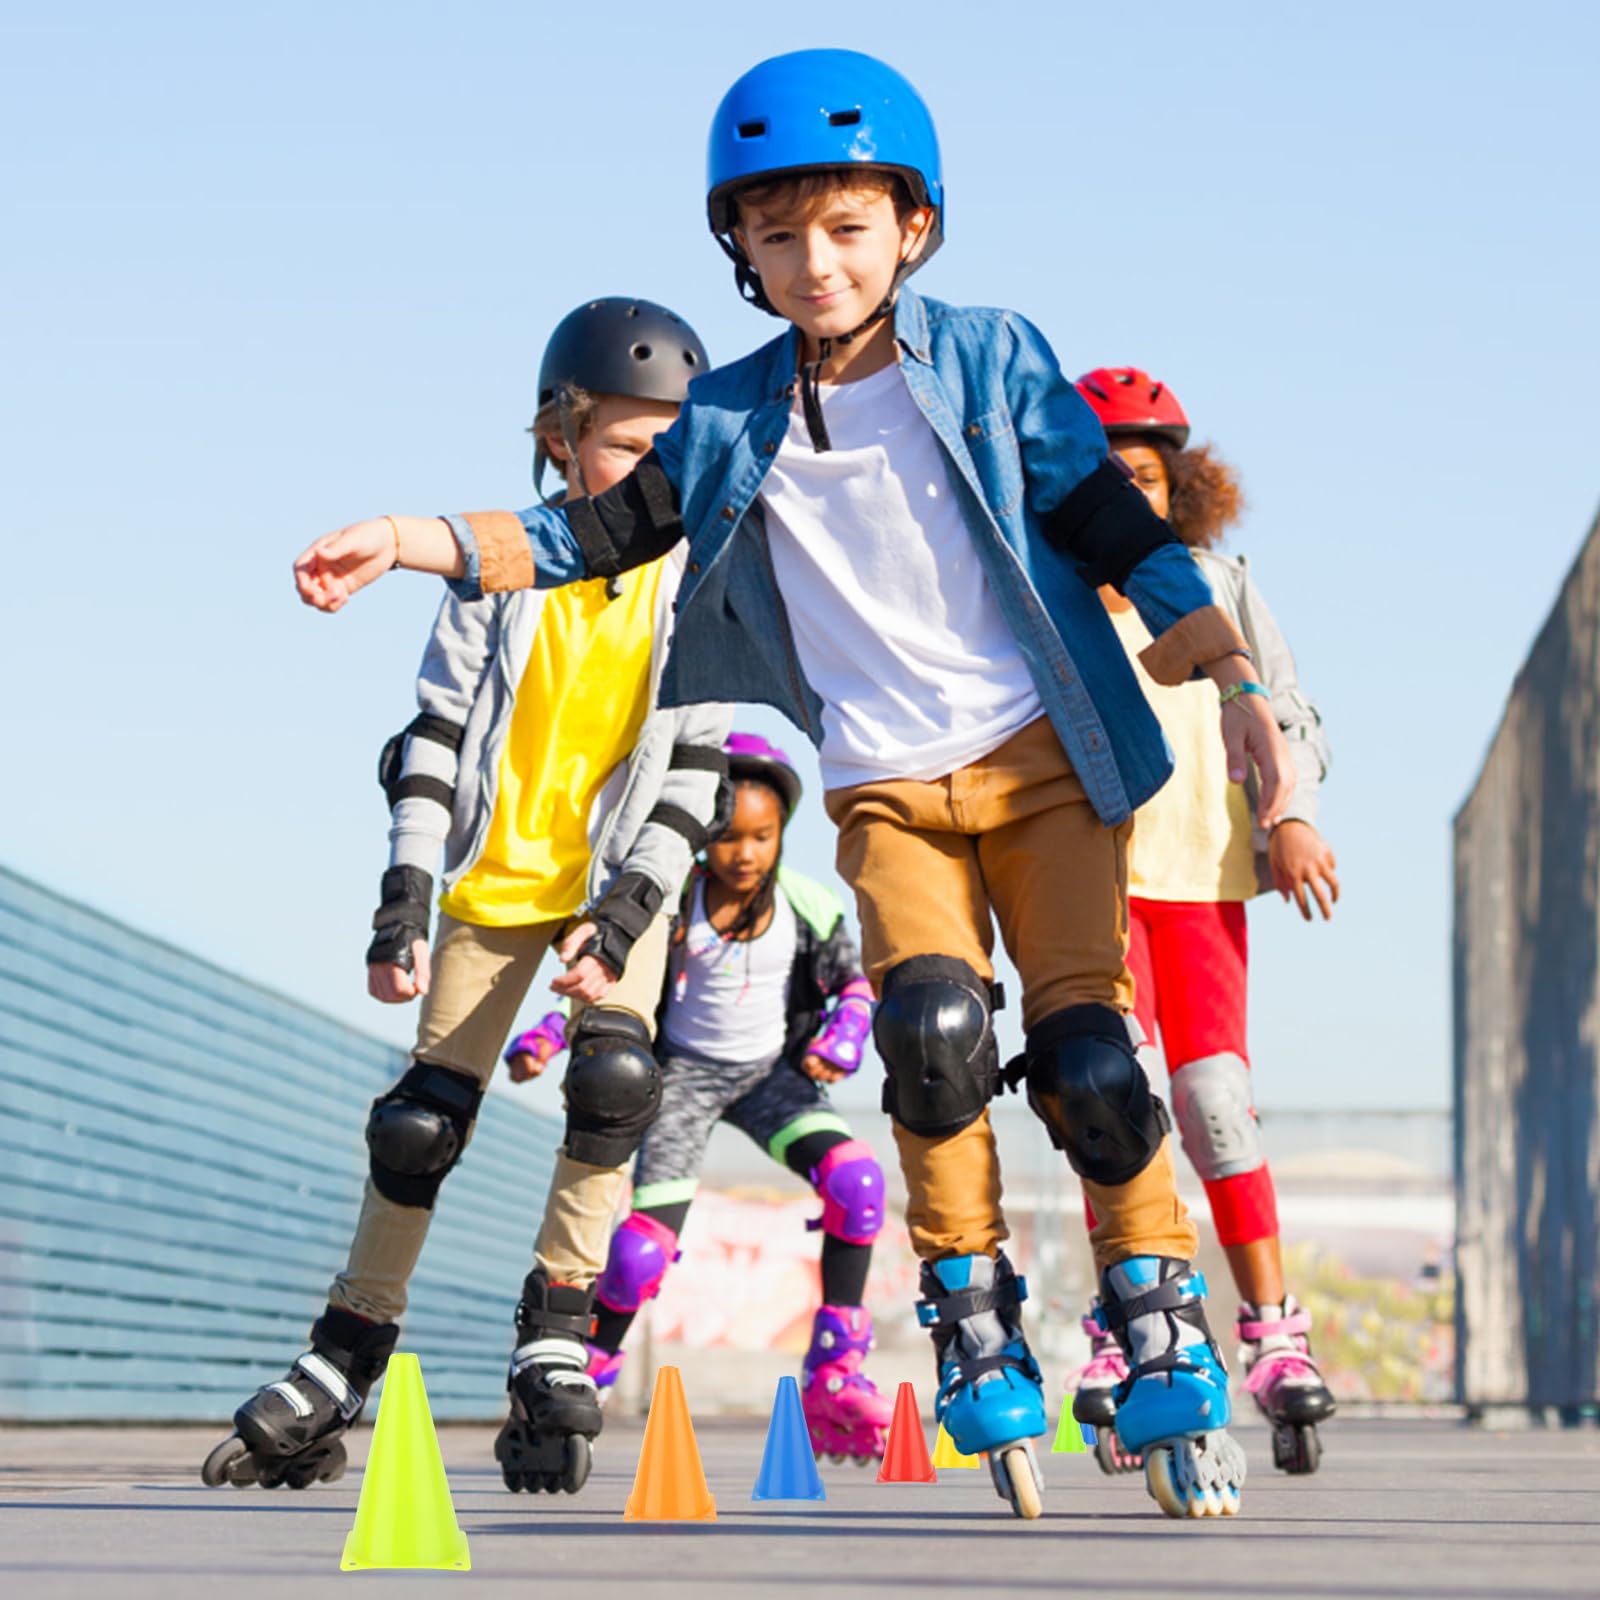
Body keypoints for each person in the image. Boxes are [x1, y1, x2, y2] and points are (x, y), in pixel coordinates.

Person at [291, 50, 1298, 1522]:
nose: (814, 263)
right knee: (936, 1038)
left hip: (1048, 760)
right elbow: (590, 534)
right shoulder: (731, 416)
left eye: (844, 229)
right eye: (777, 237)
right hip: (891, 789)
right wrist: (411, 535)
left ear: (912, 227)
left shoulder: (990, 352)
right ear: (740, 251)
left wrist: (1219, 653)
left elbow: (1092, 510)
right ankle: (969, 1301)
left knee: (1088, 1057)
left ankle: (1155, 1303)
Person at [204, 298, 729, 1498]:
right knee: (418, 1122)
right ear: (562, 437)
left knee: (611, 1086)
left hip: (616, 886)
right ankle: (349, 1347)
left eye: (675, 451)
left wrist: (629, 913)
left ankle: (555, 1320)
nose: (659, 472)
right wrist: (401, 898)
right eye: (632, 447)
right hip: (496, 876)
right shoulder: (500, 566)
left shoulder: (700, 580)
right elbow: (433, 736)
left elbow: (697, 769)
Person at [1066, 367, 1339, 1477]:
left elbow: (1286, 707)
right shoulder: (1048, 593)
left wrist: (1292, 816)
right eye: (1108, 479)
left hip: (1204, 878)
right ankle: (1126, 1312)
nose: (1132, 493)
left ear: (1177, 486)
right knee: (1109, 1093)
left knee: (1215, 1099)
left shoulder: (1219, 581)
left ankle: (1272, 1332)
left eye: (1147, 476)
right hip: (1087, 878)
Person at [519, 733, 892, 1461]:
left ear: (782, 833)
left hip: (770, 1079)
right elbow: (610, 982)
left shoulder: (807, 904)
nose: (744, 854)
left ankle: (835, 1372)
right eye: (727, 837)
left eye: (762, 836)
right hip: (682, 1077)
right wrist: (548, 1035)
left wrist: (845, 1033)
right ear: (701, 836)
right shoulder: (668, 906)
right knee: (636, 1257)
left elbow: (854, 982)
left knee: (858, 1181)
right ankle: (579, 1376)